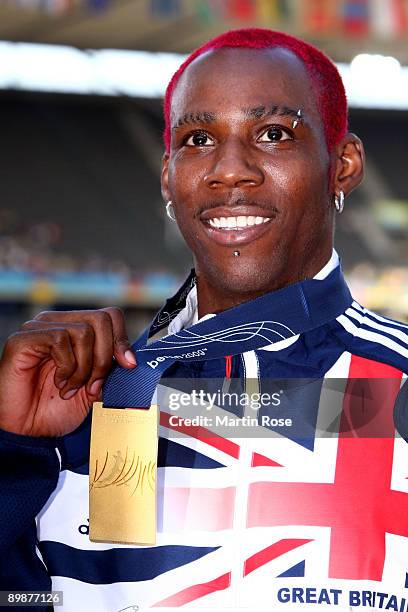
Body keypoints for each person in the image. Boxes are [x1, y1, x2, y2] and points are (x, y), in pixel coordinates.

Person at [0, 27, 407, 612]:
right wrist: (14, 456)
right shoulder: (73, 404)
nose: (230, 170)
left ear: (342, 165)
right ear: (168, 175)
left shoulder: (399, 388)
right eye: (197, 139)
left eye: (273, 134)